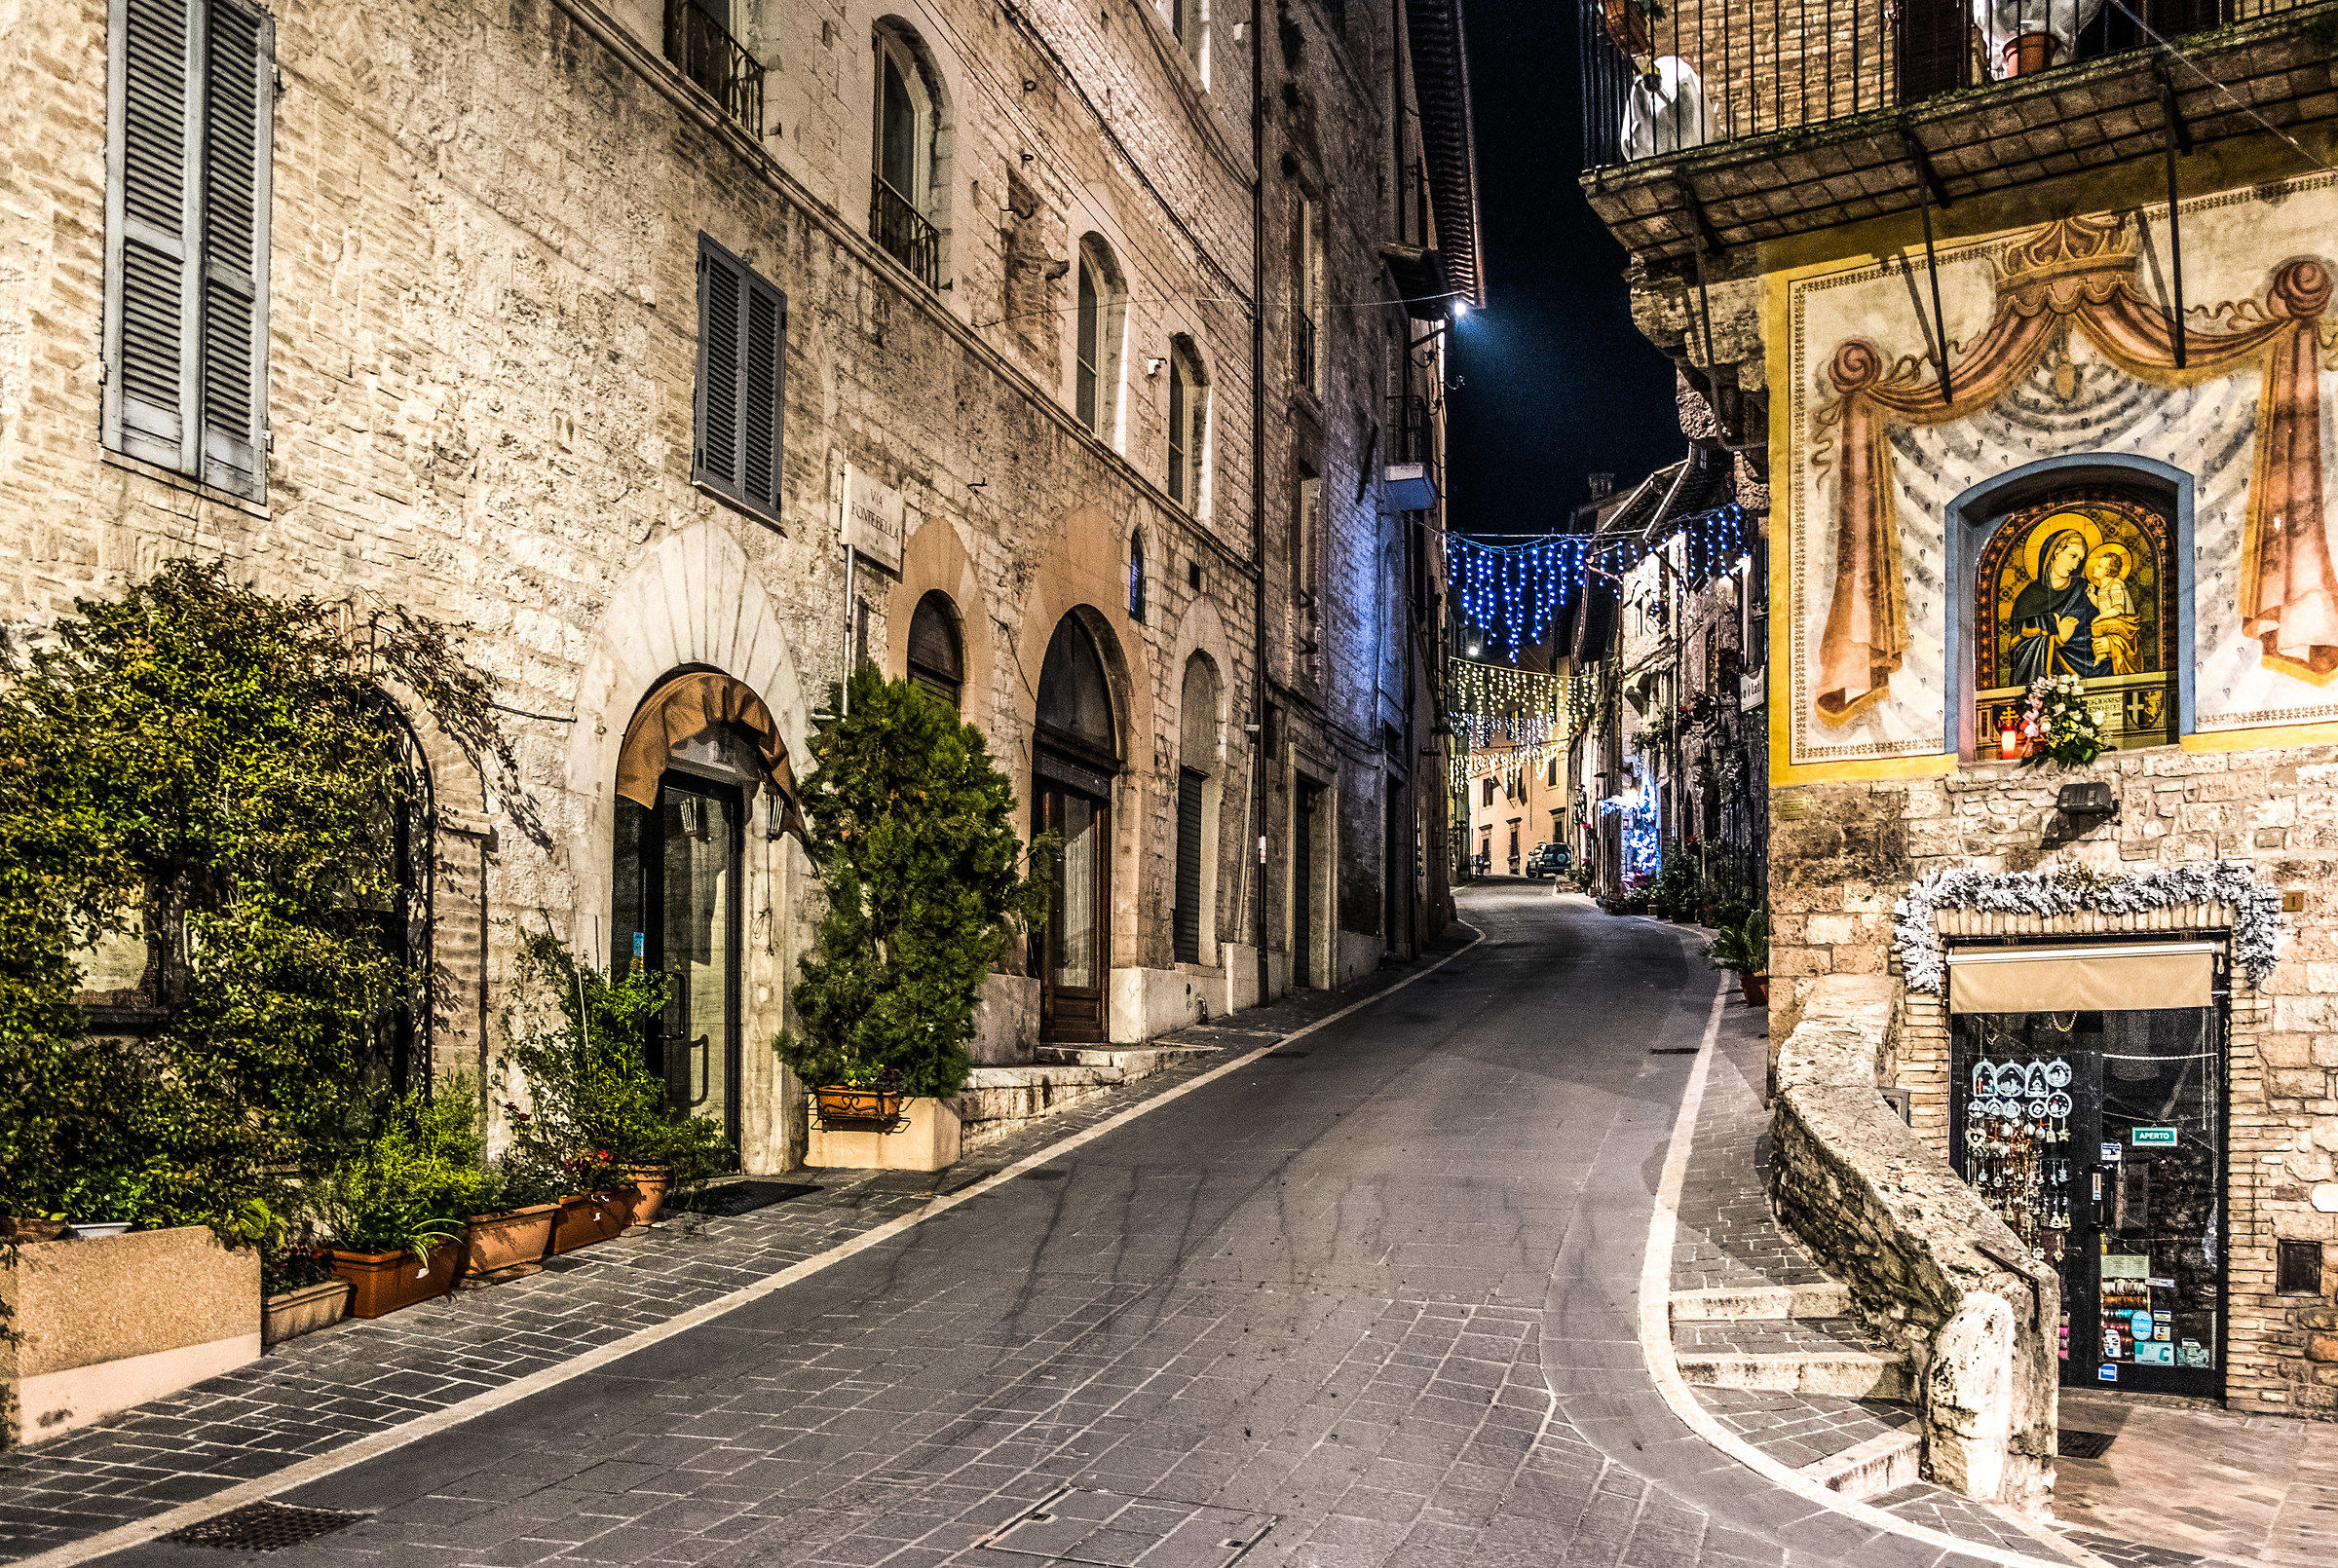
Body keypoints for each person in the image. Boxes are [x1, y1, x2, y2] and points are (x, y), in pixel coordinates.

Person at [2009, 527, 2102, 684]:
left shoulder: (2085, 590)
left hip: (2091, 673)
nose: (2075, 565)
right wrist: (2058, 639)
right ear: (2056, 552)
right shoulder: (2029, 597)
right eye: (2072, 556)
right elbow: (2019, 650)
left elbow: (2104, 625)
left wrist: (2108, 643)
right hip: (2046, 685)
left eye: (2079, 560)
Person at [2085, 543, 2142, 676]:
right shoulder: (2102, 588)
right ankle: (2103, 653)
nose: (2095, 567)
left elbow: (2117, 609)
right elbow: (2102, 606)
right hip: (2112, 623)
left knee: (2096, 626)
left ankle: (2105, 653)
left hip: (2125, 622)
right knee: (2096, 627)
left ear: (2108, 571)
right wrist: (2092, 596)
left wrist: (2099, 617)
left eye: (2100, 566)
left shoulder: (2116, 585)